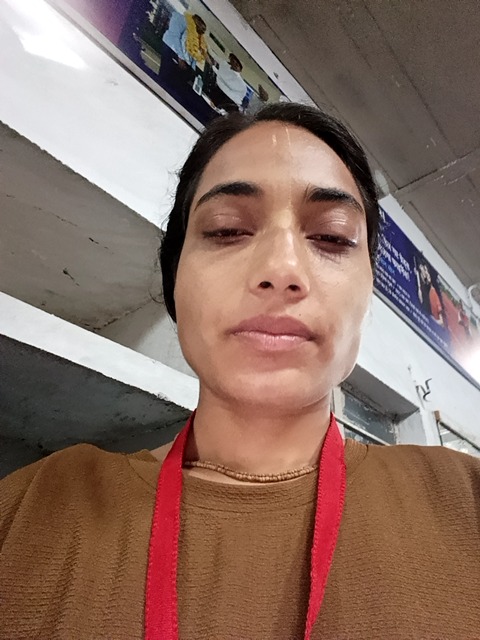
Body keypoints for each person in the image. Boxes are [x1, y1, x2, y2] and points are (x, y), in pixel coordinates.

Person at [1, 104, 479, 639]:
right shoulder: (28, 511)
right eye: (227, 230)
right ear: (175, 280)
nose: (282, 269)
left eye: (332, 237)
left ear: (367, 291)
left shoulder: (466, 501)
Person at [158, 11, 208, 90]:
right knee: (164, 82)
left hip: (182, 62)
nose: (200, 32)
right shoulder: (181, 20)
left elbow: (194, 54)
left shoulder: (196, 36)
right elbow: (174, 38)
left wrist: (192, 70)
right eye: (200, 28)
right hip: (173, 53)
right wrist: (181, 58)